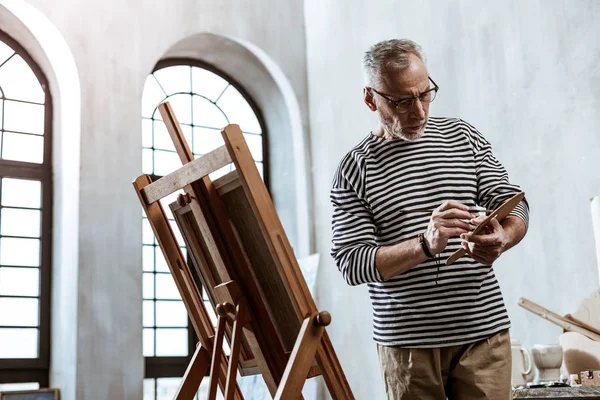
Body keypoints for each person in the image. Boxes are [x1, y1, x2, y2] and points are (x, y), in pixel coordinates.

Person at [330, 39, 529, 399]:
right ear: (370, 98)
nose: (419, 111)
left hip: (484, 335)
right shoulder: (354, 169)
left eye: (425, 94)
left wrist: (504, 236)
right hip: (408, 349)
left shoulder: (463, 137)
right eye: (402, 101)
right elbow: (351, 263)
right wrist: (425, 244)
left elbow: (513, 203)